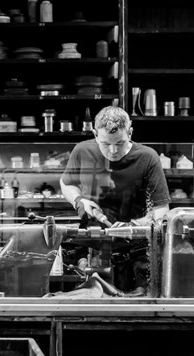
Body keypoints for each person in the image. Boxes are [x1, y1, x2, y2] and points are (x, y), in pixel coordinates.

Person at [59, 106, 170, 293]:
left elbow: (161, 210)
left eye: (119, 143)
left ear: (130, 132)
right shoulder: (82, 150)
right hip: (90, 250)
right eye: (105, 143)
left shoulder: (147, 158)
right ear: (95, 135)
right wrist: (79, 200)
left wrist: (133, 226)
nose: (112, 151)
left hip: (134, 254)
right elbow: (66, 183)